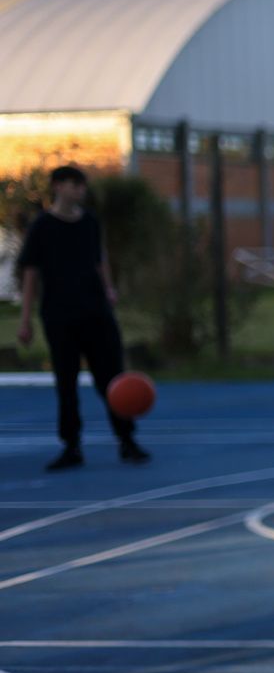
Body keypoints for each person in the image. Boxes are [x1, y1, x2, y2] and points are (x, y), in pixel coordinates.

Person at [14, 166, 150, 471]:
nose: (80, 191)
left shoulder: (90, 222)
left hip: (97, 314)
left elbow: (100, 259)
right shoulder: (42, 227)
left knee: (112, 379)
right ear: (58, 187)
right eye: (74, 185)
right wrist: (25, 320)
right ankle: (71, 446)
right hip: (60, 316)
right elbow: (31, 274)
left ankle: (127, 440)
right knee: (66, 383)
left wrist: (109, 289)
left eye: (82, 186)